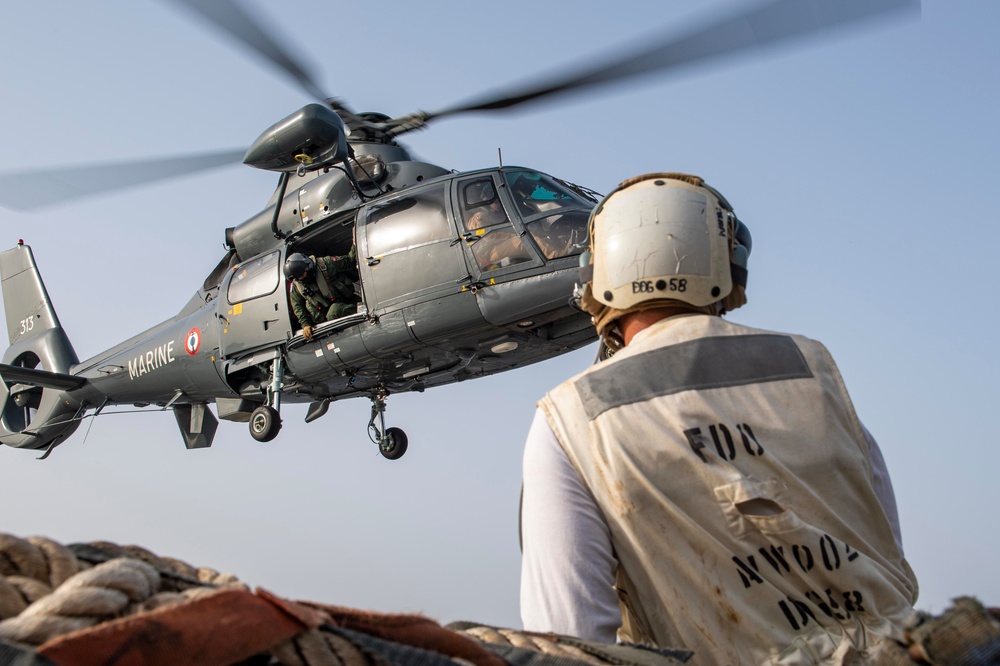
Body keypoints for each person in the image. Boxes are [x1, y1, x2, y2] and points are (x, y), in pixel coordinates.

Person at [519, 173, 918, 664]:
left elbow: (569, 640)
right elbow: (886, 552)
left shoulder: (571, 419)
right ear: (730, 267)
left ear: (597, 279)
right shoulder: (816, 375)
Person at [284, 248, 359, 340]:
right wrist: (305, 324)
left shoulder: (326, 264)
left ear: (307, 267)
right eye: (298, 278)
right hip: (324, 319)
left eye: (302, 275)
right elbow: (297, 305)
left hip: (348, 304)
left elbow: (349, 261)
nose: (302, 279)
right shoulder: (297, 284)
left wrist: (355, 245)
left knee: (334, 311)